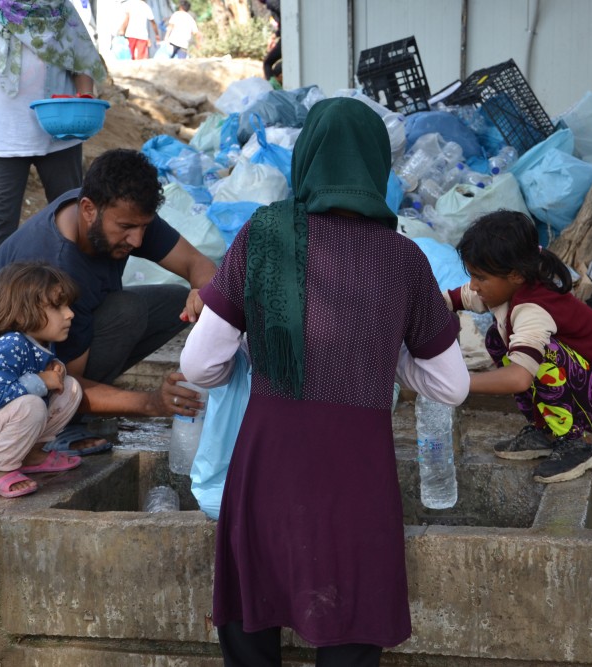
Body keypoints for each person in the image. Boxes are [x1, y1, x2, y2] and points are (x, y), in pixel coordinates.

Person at [179, 97, 469, 666]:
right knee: (351, 615)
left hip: (269, 459)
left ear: (306, 159)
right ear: (376, 169)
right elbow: (452, 386)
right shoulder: (405, 259)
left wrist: (258, 351)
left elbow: (198, 367)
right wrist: (386, 359)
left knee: (250, 613)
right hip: (357, 470)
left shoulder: (263, 236)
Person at [0, 149, 218, 453]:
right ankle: (61, 423)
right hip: (15, 379)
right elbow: (63, 377)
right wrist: (151, 402)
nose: (138, 240)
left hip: (69, 345)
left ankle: (89, 401)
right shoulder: (56, 267)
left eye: (144, 227)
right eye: (127, 228)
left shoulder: (122, 209)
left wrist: (202, 290)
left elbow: (199, 265)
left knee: (175, 301)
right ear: (88, 209)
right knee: (124, 312)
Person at [445, 211, 592, 484]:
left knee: (542, 356)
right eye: (472, 275)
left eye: (481, 277)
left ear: (516, 275)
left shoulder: (533, 309)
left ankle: (576, 445)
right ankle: (546, 431)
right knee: (497, 339)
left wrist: (457, 382)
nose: (474, 285)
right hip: (585, 392)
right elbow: (453, 298)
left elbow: (520, 378)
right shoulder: (506, 286)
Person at [0, 0, 107, 283]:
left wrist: (84, 102)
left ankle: (79, 298)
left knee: (74, 220)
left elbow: (82, 61)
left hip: (61, 135)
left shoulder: (61, 8)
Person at [0, 263, 85, 498]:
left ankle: (31, 454)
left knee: (70, 388)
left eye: (67, 305)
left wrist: (56, 371)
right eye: (57, 306)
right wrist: (42, 380)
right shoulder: (8, 344)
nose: (69, 313)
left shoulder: (36, 343)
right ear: (22, 313)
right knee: (30, 405)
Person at [262, 0, 282, 87]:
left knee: (267, 63)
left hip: (288, 37)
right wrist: (275, 35)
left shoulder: (272, 2)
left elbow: (286, 19)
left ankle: (275, 90)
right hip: (287, 36)